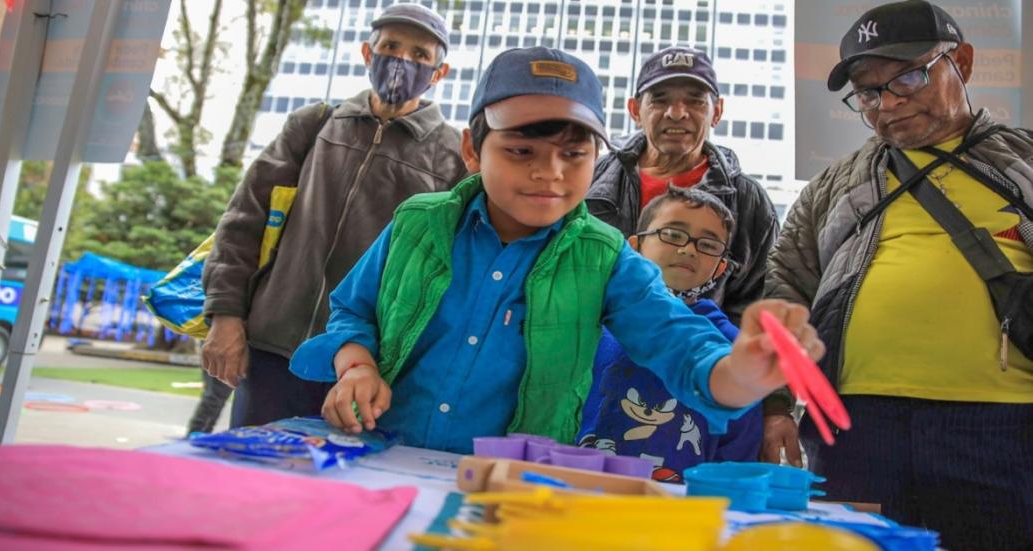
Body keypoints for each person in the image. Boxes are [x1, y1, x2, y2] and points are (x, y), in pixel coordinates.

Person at [288, 46, 823, 456]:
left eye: (574, 153)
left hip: (507, 483)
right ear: (473, 149)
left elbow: (679, 344)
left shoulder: (607, 257)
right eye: (521, 151)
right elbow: (353, 309)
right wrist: (355, 364)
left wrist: (743, 373)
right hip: (375, 453)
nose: (551, 173)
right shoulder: (418, 223)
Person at [764, 2, 1033, 548]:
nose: (889, 102)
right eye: (868, 92)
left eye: (909, 75)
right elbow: (784, 293)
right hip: (854, 426)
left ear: (962, 61)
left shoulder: (1023, 163)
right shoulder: (832, 186)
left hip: (1004, 426)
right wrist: (773, 409)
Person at [201, 4, 469, 427]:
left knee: (339, 487)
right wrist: (226, 315)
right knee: (250, 481)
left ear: (439, 72)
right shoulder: (313, 125)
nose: (402, 60)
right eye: (391, 46)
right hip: (273, 350)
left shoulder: (455, 156)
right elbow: (243, 224)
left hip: (369, 366)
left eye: (420, 55)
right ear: (367, 53)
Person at [577, 187, 762, 482]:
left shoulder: (733, 349)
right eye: (673, 235)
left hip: (678, 510)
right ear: (634, 245)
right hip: (573, 490)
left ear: (721, 267)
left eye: (708, 245)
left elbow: (738, 449)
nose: (689, 249)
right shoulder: (589, 322)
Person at [586, 46, 778, 322]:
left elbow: (758, 303)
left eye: (695, 101)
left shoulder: (747, 201)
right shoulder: (595, 177)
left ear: (717, 111)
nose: (676, 113)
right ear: (635, 110)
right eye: (660, 100)